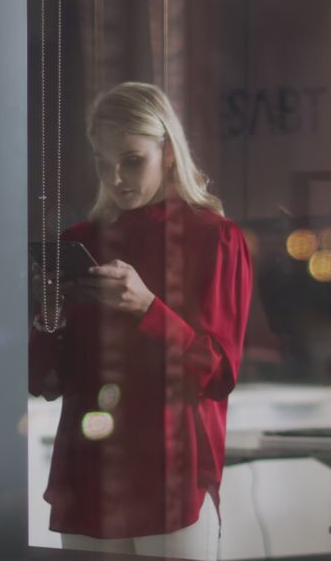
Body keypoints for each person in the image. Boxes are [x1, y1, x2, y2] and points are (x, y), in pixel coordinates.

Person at [29, 82, 253, 560]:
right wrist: (44, 313)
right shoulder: (80, 240)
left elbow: (217, 374)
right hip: (91, 468)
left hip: (170, 470)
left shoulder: (216, 239)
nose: (116, 178)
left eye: (132, 159)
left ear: (168, 152)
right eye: (102, 161)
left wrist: (147, 308)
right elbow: (48, 380)